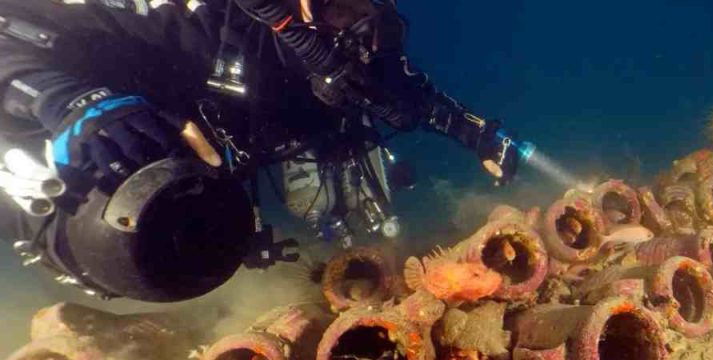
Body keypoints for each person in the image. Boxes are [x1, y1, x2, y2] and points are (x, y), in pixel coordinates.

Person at [0, 0, 526, 301]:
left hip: (233, 173)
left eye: (366, 8)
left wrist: (476, 134)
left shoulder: (366, 47)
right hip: (143, 167)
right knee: (126, 234)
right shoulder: (194, 21)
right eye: (338, 7)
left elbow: (412, 96)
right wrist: (61, 99)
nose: (357, 34)